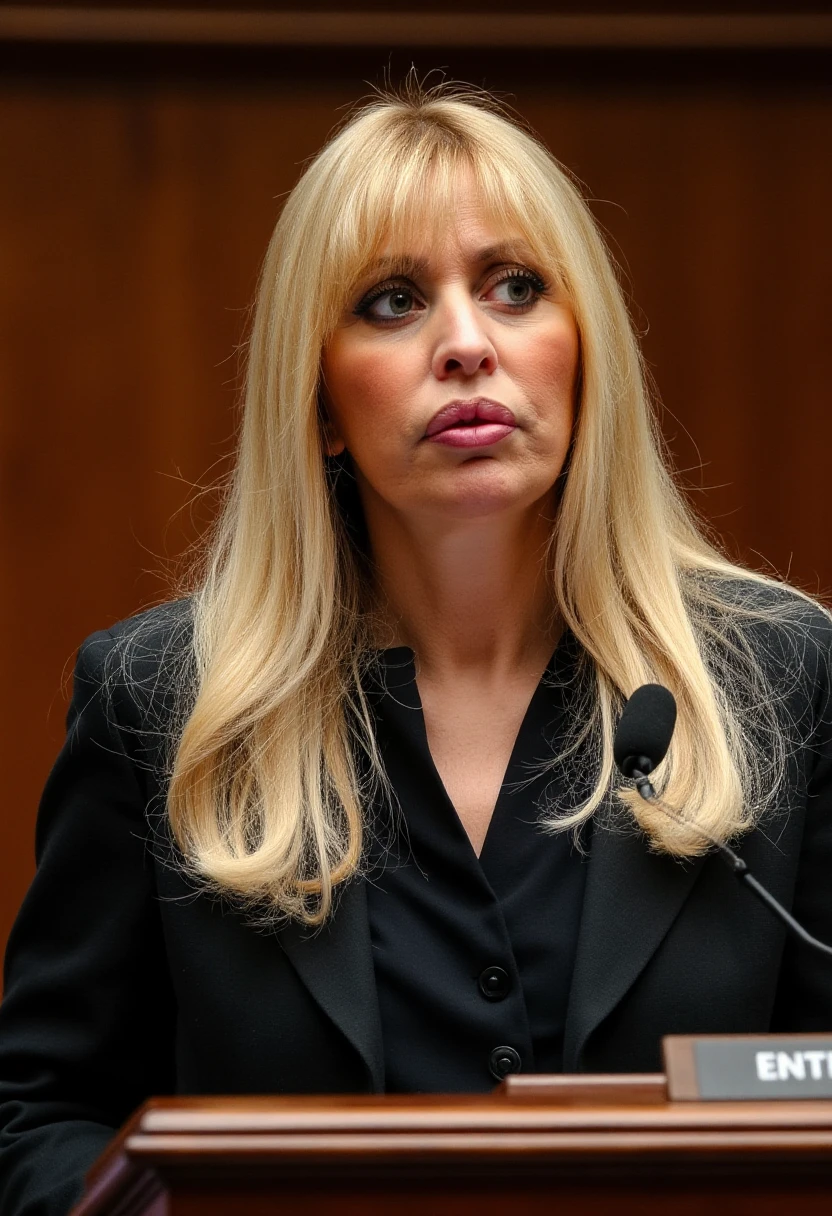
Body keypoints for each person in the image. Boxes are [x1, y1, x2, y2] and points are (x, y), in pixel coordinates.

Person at [1, 81, 831, 1216]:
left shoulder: (780, 679)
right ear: (322, 401)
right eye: (392, 301)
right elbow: (41, 1110)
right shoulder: (164, 704)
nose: (464, 344)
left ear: (584, 354)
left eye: (515, 287)